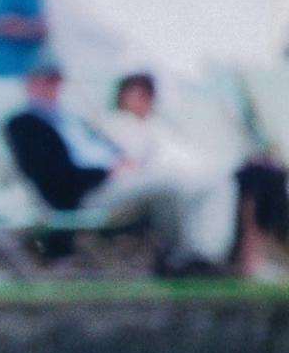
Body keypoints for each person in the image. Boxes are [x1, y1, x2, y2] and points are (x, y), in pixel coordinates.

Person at [4, 61, 233, 275]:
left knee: (204, 182)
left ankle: (203, 255)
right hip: (89, 193)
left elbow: (109, 151)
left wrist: (124, 164)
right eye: (44, 80)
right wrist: (107, 172)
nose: (51, 86)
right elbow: (54, 178)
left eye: (55, 80)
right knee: (170, 180)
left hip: (117, 180)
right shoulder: (24, 124)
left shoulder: (71, 119)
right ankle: (189, 256)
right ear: (30, 83)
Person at [99, 72, 286, 279]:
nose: (142, 100)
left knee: (262, 176)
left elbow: (189, 159)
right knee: (243, 181)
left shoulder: (160, 127)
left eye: (146, 94)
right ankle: (208, 256)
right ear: (123, 95)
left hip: (186, 182)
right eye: (135, 93)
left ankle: (241, 258)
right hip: (151, 185)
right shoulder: (114, 124)